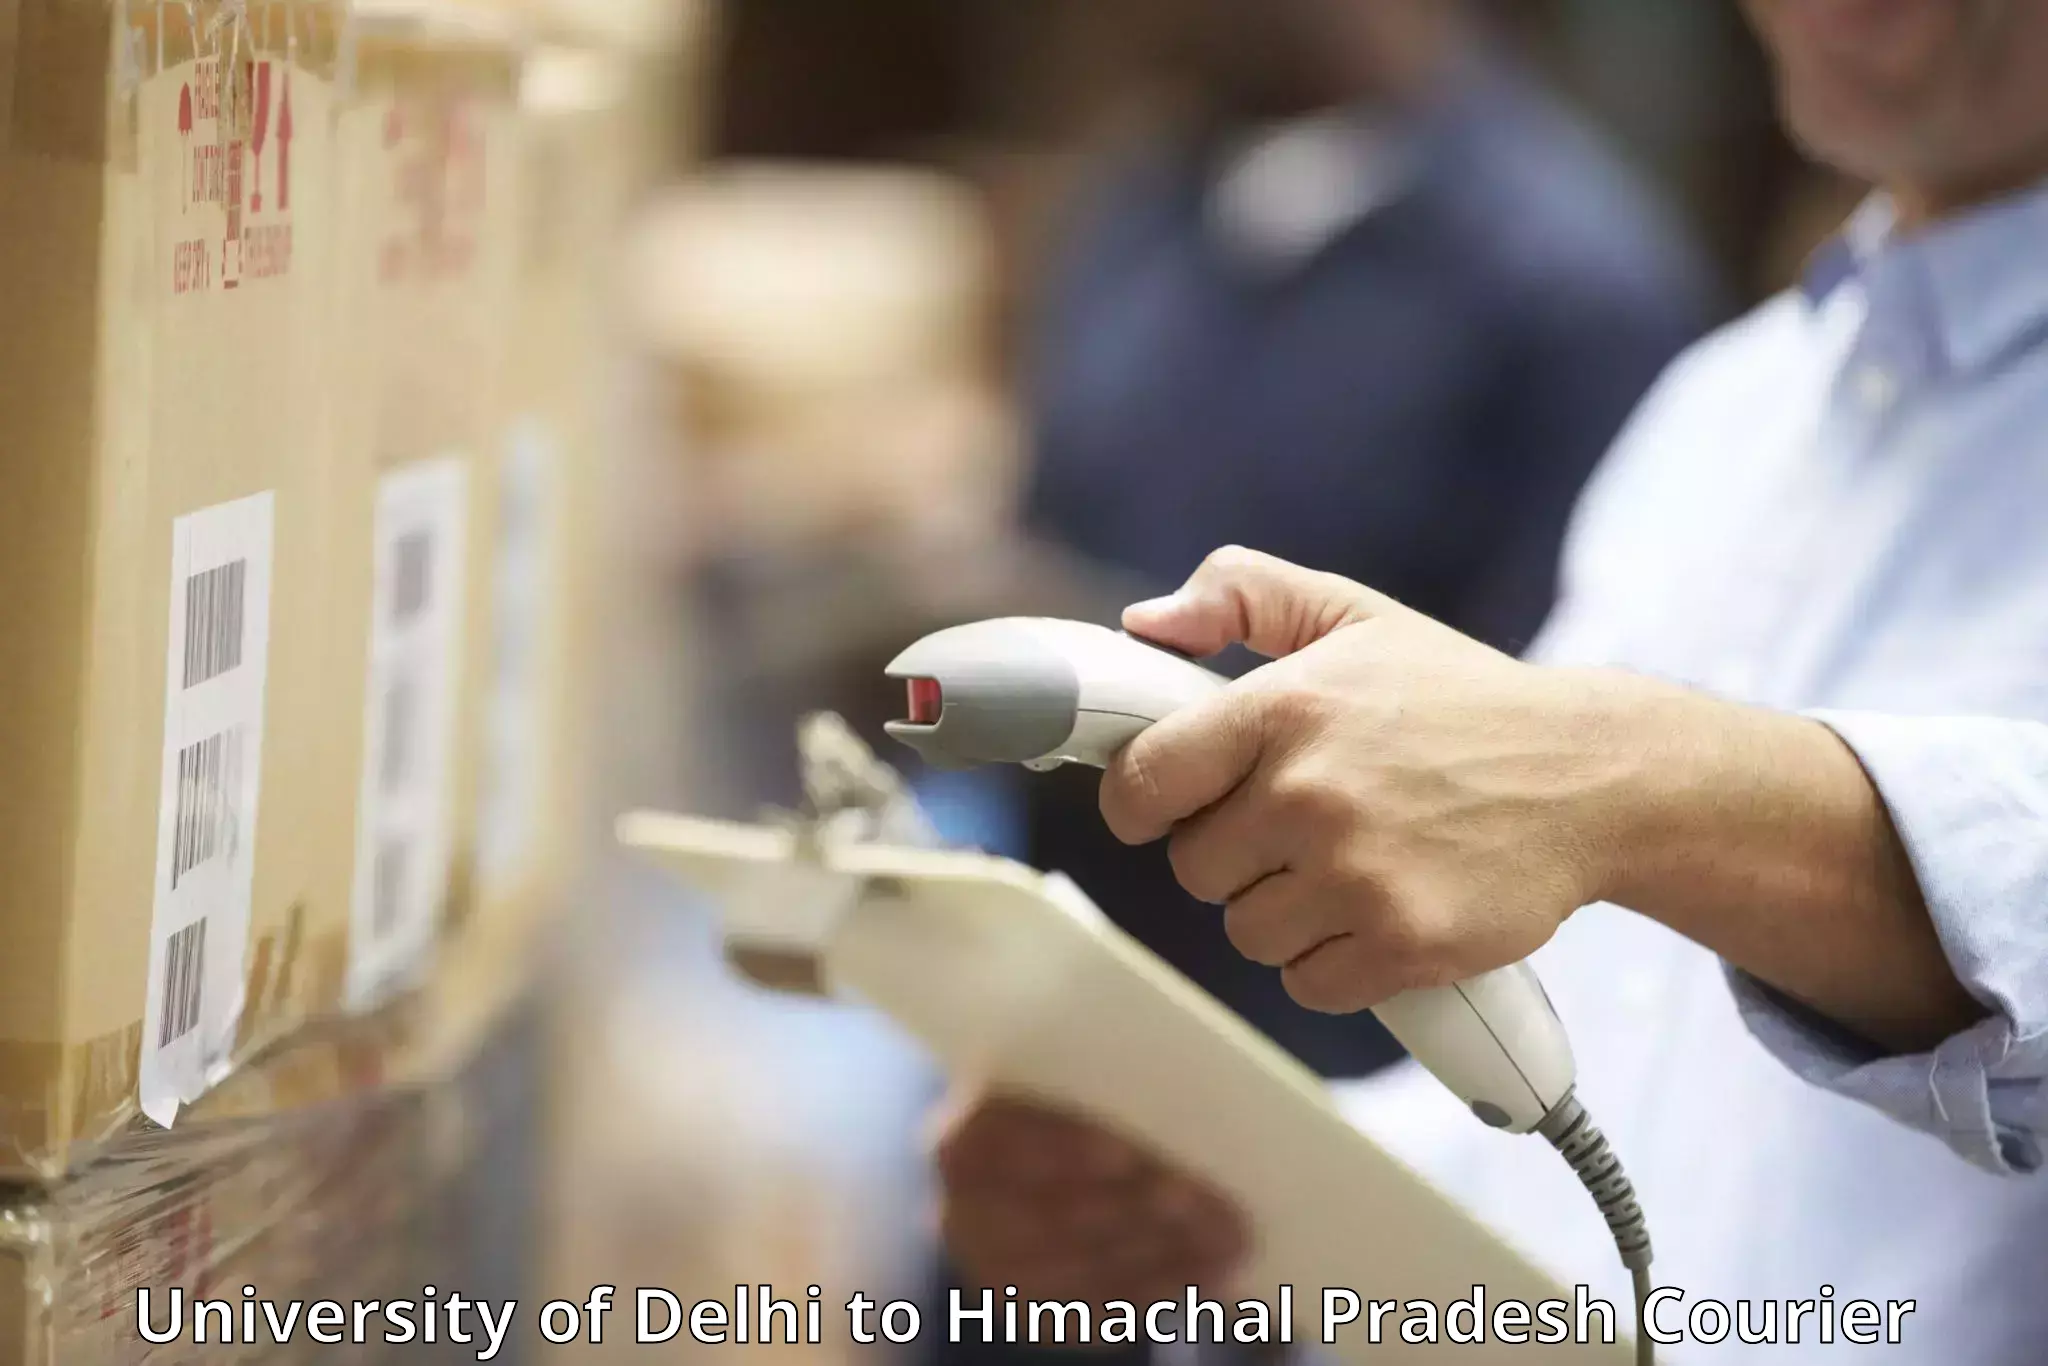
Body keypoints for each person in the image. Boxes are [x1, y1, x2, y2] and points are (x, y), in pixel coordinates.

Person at [935, 0, 2048, 1361]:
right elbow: (1598, 1114)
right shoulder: (1725, 420)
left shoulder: (1577, 288)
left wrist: (1628, 780)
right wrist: (1207, 1195)